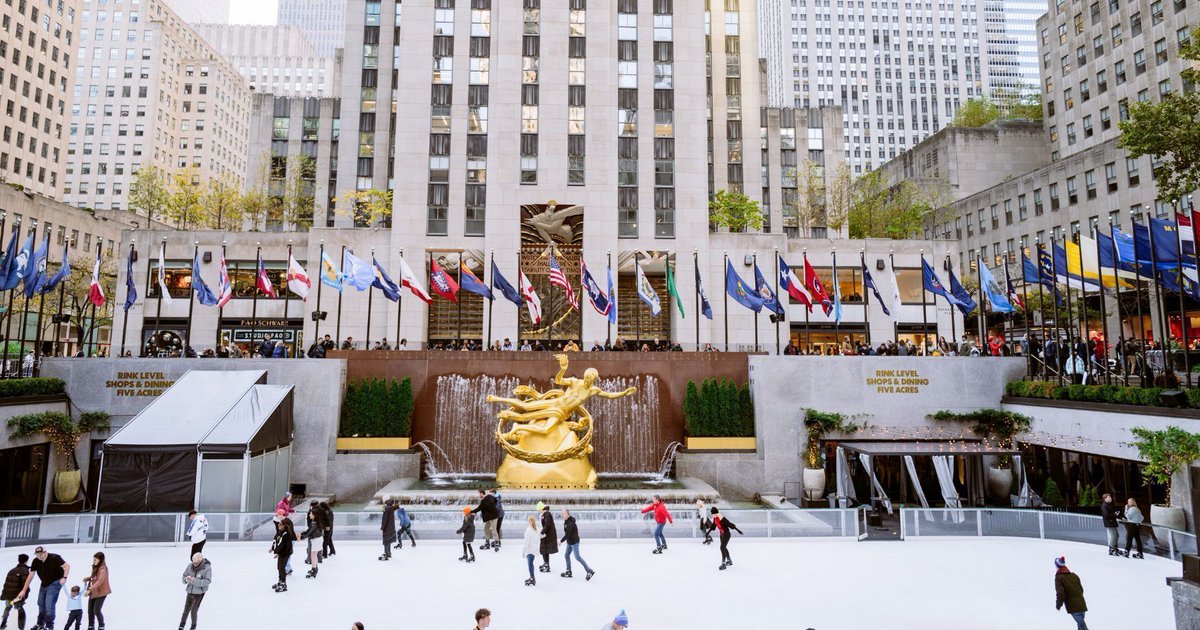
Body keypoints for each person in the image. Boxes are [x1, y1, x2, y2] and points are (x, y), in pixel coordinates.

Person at [17, 546, 69, 630]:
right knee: (40, 603)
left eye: (40, 554)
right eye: (37, 554)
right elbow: (30, 576)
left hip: (55, 582)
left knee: (49, 605)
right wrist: (23, 590)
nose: (39, 556)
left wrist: (64, 577)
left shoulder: (55, 558)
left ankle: (49, 626)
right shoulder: (36, 561)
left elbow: (67, 566)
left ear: (45, 552)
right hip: (44, 583)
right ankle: (40, 624)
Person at [1053, 556, 1088, 630]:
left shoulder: (1059, 578)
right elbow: (1081, 590)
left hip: (1074, 607)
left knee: (1082, 626)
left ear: (1057, 566)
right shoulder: (1074, 575)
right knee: (1080, 625)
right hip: (1082, 604)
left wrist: (1058, 605)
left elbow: (1060, 594)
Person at [559, 509, 594, 581]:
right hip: (570, 542)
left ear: (568, 514)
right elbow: (568, 534)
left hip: (575, 542)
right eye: (562, 514)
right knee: (566, 555)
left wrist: (561, 541)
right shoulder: (566, 521)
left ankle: (589, 571)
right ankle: (568, 571)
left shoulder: (571, 523)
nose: (563, 515)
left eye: (564, 514)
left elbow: (568, 534)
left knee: (577, 557)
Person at [178, 553, 210, 630]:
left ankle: (193, 626)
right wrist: (186, 579)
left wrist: (194, 581)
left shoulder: (207, 568)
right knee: (186, 610)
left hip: (199, 593)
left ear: (200, 561)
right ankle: (181, 626)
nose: (194, 564)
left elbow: (207, 581)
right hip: (190, 591)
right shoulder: (190, 566)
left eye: (196, 563)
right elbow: (184, 575)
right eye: (193, 562)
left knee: (194, 611)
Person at [81, 551, 110, 630]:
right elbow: (94, 577)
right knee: (90, 610)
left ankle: (101, 625)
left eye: (95, 560)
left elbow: (100, 581)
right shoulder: (95, 566)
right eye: (93, 560)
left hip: (101, 592)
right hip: (94, 591)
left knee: (96, 610)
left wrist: (89, 590)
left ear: (100, 560)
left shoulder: (103, 569)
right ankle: (91, 625)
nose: (93, 561)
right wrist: (89, 578)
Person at [1, 553, 29, 630]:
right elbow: (25, 584)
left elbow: (6, 584)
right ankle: (21, 626)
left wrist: (4, 594)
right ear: (26, 561)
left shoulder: (12, 570)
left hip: (8, 594)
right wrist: (25, 594)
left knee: (8, 607)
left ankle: (3, 623)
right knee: (19, 608)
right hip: (17, 595)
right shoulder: (25, 571)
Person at [271, 512, 296, 592]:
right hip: (282, 553)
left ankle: (283, 584)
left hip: (285, 553)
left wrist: (278, 553)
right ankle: (280, 581)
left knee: (282, 568)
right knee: (279, 567)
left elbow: (284, 546)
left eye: (280, 524)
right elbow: (277, 541)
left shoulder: (286, 534)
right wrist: (273, 548)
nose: (278, 525)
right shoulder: (281, 532)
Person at [301, 502, 324, 577]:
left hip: (316, 540)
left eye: (310, 514)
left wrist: (300, 537)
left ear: (314, 515)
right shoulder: (316, 522)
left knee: (313, 555)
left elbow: (308, 532)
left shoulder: (314, 523)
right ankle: (315, 568)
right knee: (314, 555)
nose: (309, 515)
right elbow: (309, 531)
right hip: (317, 539)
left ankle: (314, 570)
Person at [538, 503, 559, 573]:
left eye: (539, 510)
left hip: (548, 535)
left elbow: (547, 525)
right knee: (544, 549)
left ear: (541, 509)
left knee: (544, 549)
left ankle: (546, 566)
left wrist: (542, 532)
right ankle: (546, 563)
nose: (538, 511)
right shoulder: (545, 514)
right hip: (546, 535)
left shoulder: (547, 514)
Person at [522, 515, 541, 587]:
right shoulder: (537, 529)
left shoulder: (528, 530)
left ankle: (532, 578)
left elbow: (526, 542)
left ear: (529, 522)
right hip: (535, 548)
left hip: (530, 549)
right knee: (531, 563)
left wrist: (523, 552)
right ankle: (532, 577)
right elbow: (541, 535)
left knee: (530, 563)